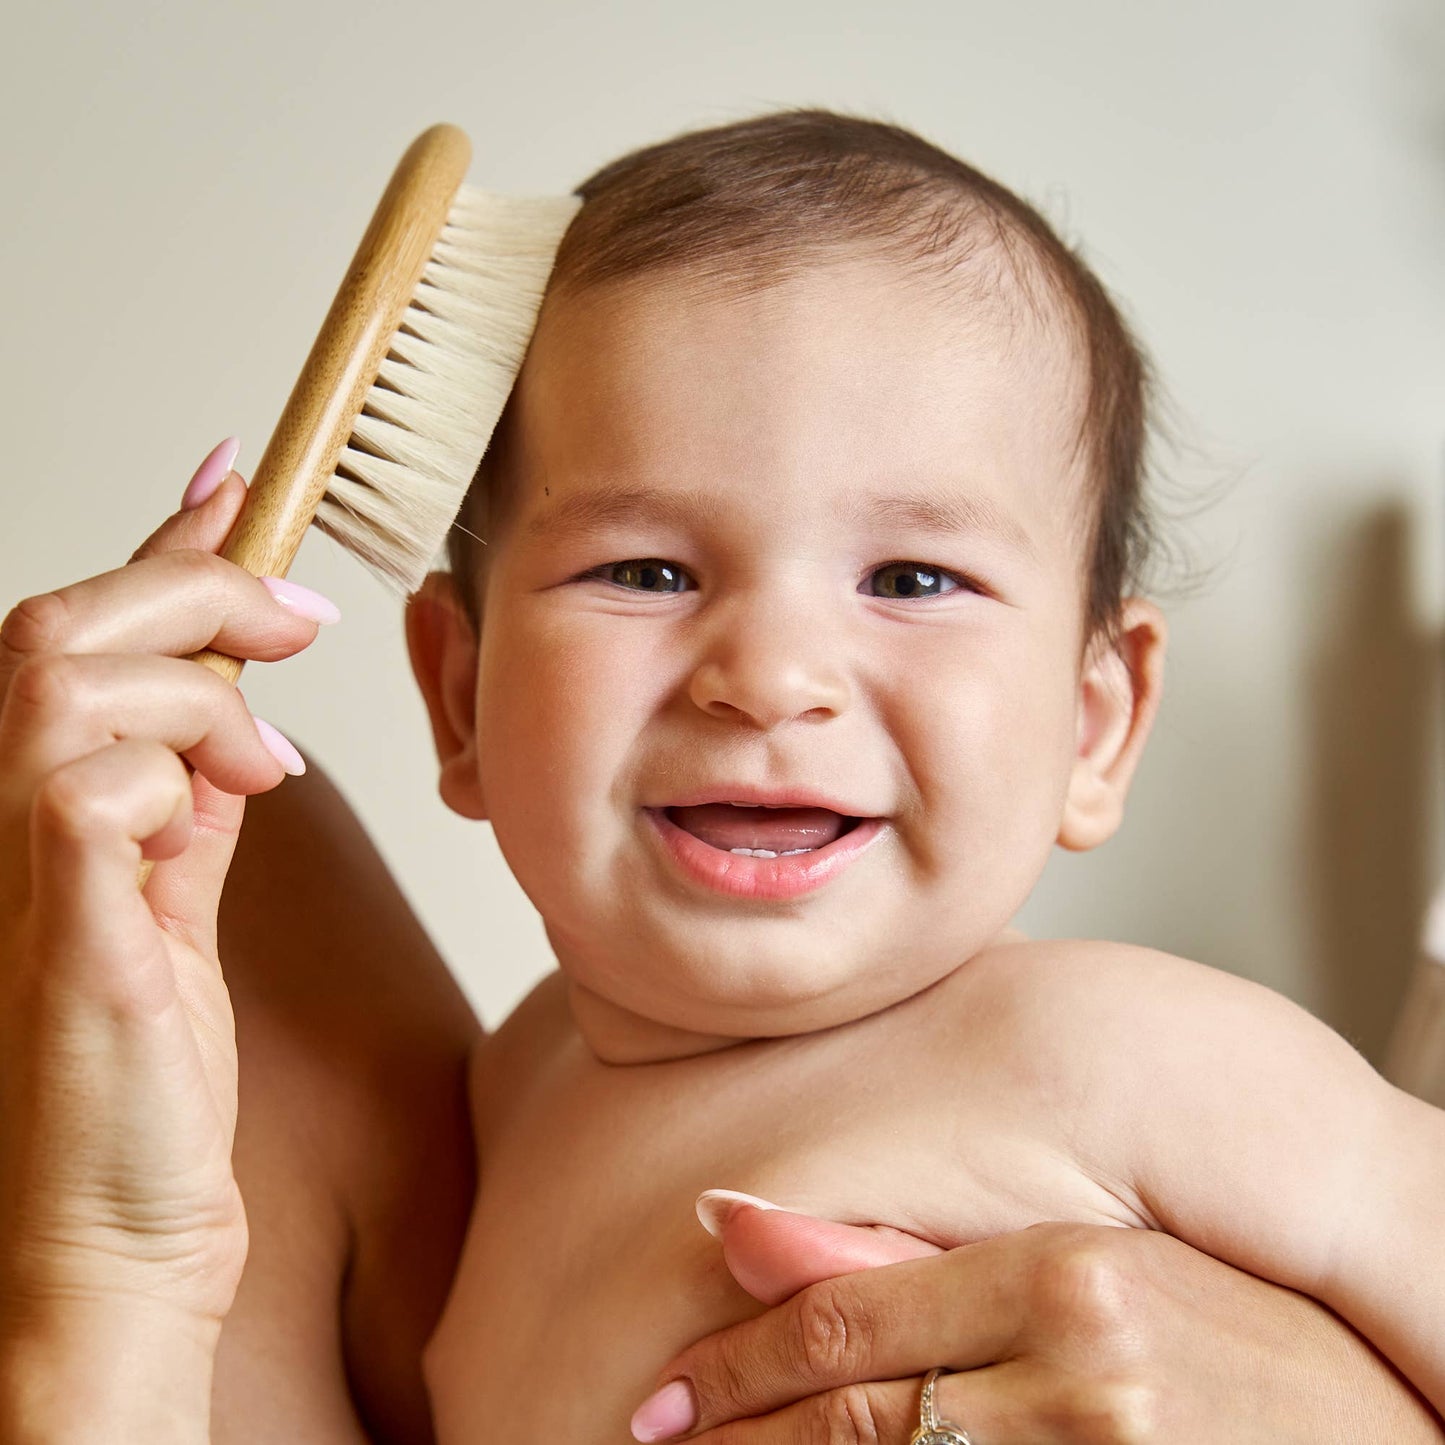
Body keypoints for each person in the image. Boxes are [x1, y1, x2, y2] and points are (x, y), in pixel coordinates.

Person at [0, 109, 1440, 1444]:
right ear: (458, 695)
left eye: (911, 575)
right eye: (646, 569)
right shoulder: (515, 1098)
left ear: (1094, 723)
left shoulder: (1132, 1058)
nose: (767, 673)